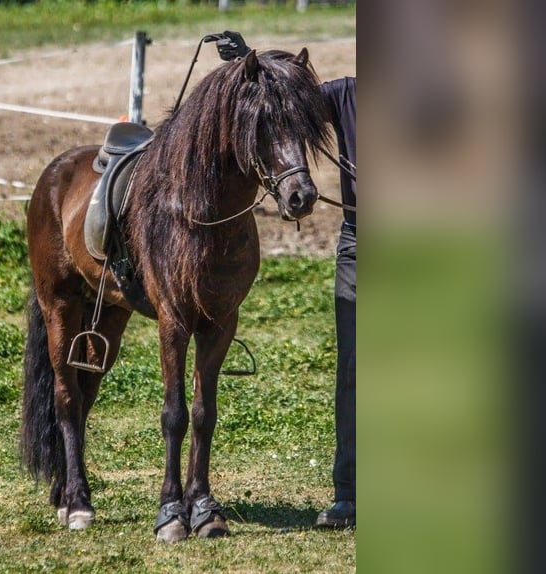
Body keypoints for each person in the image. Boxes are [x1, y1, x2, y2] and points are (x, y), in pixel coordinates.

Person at [217, 32, 356, 528]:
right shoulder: (347, 95)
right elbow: (285, 96)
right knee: (354, 373)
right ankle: (349, 494)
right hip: (360, 251)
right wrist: (243, 66)